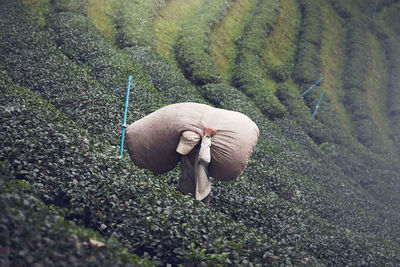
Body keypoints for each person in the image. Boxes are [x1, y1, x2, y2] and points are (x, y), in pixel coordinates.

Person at [176, 128, 216, 206]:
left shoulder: (201, 154)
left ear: (196, 146)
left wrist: (207, 137)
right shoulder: (183, 155)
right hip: (185, 189)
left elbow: (204, 158)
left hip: (202, 192)